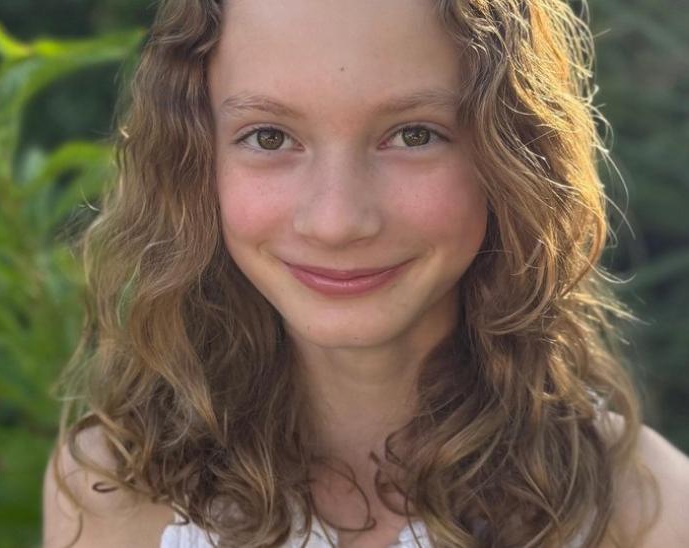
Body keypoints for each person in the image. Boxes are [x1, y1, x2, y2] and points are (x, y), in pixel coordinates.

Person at [42, 0, 689, 546]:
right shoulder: (108, 488)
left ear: (511, 153)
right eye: (269, 138)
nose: (337, 221)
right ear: (195, 162)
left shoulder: (653, 516)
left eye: (413, 134)